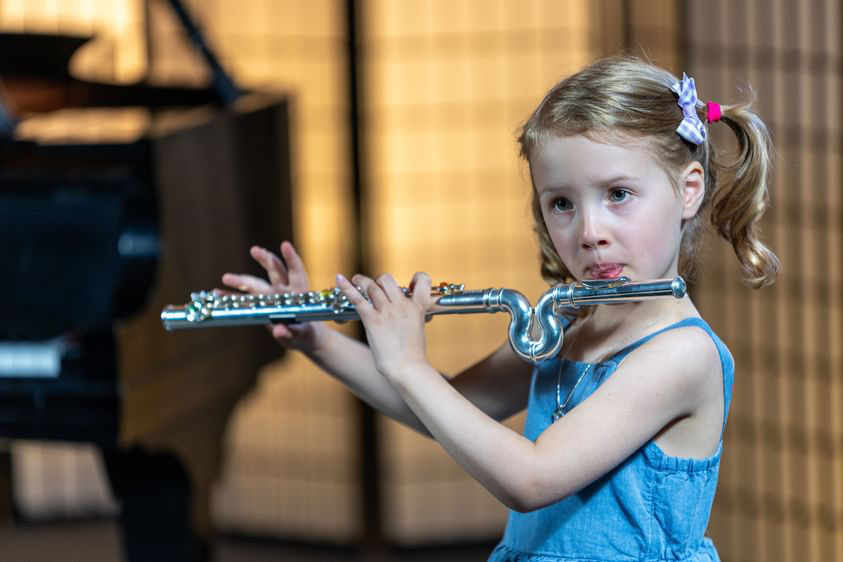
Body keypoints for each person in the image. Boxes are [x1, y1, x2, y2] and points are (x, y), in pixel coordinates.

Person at [223, 56, 778, 561]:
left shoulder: (681, 354)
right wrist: (317, 338)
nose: (589, 232)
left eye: (618, 194)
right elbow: (447, 408)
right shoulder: (570, 323)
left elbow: (531, 480)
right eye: (561, 203)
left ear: (689, 190)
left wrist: (409, 365)